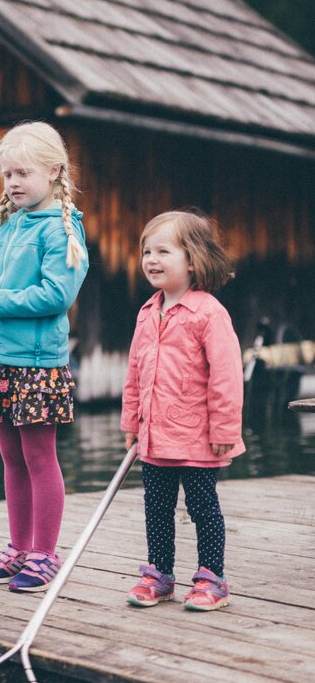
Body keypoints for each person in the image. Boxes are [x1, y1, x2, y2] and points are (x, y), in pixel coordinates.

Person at [0, 121, 88, 592]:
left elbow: (56, 294)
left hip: (37, 366)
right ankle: (18, 548)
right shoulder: (10, 225)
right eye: (7, 174)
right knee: (11, 461)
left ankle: (44, 554)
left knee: (39, 459)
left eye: (22, 173)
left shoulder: (62, 230)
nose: (13, 183)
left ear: (54, 171)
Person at [122, 209, 245, 611]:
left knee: (202, 508)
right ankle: (160, 574)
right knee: (155, 508)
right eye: (146, 251)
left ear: (191, 259)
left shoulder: (208, 313)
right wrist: (131, 422)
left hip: (196, 435)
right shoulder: (146, 313)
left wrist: (225, 429)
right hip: (154, 436)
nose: (151, 259)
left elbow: (226, 376)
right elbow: (135, 371)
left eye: (163, 251)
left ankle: (212, 578)